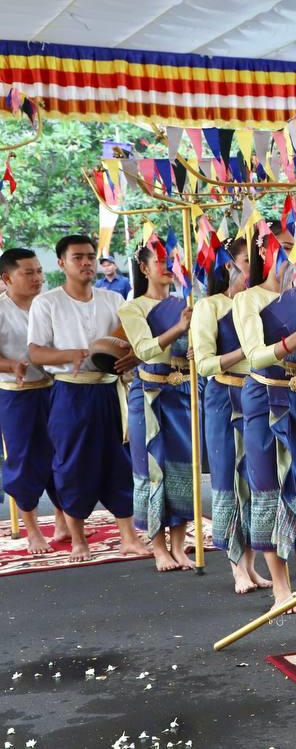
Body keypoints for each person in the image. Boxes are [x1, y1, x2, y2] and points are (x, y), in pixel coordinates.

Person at [233, 223, 296, 613]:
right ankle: (281, 586)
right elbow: (254, 355)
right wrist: (293, 341)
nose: (290, 256)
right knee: (270, 487)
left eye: (295, 248)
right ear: (263, 252)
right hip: (264, 398)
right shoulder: (248, 299)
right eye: (281, 247)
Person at [28, 235, 146, 562]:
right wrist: (72, 354)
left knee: (119, 461)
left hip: (110, 389)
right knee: (73, 464)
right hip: (70, 390)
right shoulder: (47, 303)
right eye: (78, 257)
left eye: (90, 257)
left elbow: (131, 341)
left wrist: (132, 356)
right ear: (61, 263)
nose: (86, 263)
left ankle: (128, 537)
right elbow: (35, 352)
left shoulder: (113, 298)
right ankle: (78, 539)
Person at [192, 238, 270, 593]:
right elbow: (205, 363)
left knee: (258, 478)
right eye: (249, 260)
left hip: (260, 394)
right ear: (230, 265)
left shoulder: (261, 301)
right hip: (224, 396)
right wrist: (248, 349)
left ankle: (252, 564)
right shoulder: (209, 306)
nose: (259, 265)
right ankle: (237, 566)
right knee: (229, 476)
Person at [119, 243, 197, 572]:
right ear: (144, 268)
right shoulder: (133, 308)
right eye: (161, 261)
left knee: (182, 468)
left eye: (173, 260)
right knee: (151, 466)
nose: (168, 266)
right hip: (148, 392)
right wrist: (178, 328)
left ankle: (179, 545)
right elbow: (144, 350)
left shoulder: (189, 303)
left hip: (182, 392)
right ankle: (158, 547)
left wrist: (195, 347)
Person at [0, 248, 69, 554]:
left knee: (62, 455)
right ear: (6, 278)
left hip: (56, 389)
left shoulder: (51, 304)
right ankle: (32, 529)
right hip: (16, 395)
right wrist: (10, 365)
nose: (37, 278)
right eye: (28, 273)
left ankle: (62, 519)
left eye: (39, 271)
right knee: (24, 460)